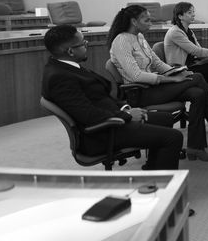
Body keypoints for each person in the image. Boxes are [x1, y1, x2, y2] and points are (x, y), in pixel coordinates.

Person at [42, 24, 183, 170]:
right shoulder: (59, 78)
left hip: (111, 118)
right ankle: (163, 184)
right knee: (173, 137)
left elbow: (98, 96)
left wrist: (125, 108)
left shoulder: (65, 67)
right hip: (103, 132)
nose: (86, 45)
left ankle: (154, 168)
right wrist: (127, 115)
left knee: (165, 119)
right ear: (70, 51)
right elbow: (88, 115)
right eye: (83, 43)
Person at [108, 5, 208, 162]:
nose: (151, 22)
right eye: (146, 19)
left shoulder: (140, 37)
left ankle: (195, 147)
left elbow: (157, 63)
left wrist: (177, 72)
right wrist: (170, 79)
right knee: (197, 78)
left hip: (154, 87)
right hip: (140, 93)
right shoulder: (121, 41)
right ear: (134, 22)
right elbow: (136, 76)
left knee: (197, 93)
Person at [164, 2, 208, 117]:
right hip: (180, 71)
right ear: (180, 16)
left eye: (193, 12)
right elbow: (196, 51)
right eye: (189, 12)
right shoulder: (175, 32)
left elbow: (201, 52)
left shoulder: (189, 31)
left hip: (191, 67)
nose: (193, 15)